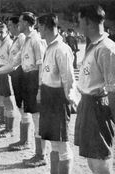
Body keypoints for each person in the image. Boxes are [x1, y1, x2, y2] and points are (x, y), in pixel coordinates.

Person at [0, 12, 47, 166]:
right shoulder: (26, 39)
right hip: (27, 79)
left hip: (34, 80)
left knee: (37, 118)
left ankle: (41, 156)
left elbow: (41, 65)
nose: (18, 24)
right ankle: (32, 148)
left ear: (26, 23)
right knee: (31, 115)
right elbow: (13, 63)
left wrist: (39, 88)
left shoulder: (36, 40)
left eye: (20, 22)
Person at [74, 5, 115, 174]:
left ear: (88, 22)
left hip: (98, 107)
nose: (77, 25)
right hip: (88, 104)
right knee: (92, 159)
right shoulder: (93, 45)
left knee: (100, 159)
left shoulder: (107, 48)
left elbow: (113, 89)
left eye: (79, 21)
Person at [38, 13, 75, 173]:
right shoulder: (49, 47)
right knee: (54, 142)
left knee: (62, 146)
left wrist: (68, 101)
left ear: (45, 27)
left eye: (39, 26)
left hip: (58, 99)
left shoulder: (61, 49)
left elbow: (69, 79)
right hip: (48, 97)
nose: (38, 29)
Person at [0, 22, 15, 138]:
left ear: (7, 32)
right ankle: (5, 126)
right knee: (2, 99)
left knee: (8, 101)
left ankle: (10, 129)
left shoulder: (9, 43)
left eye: (1, 32)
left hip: (6, 74)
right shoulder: (1, 42)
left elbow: (11, 63)